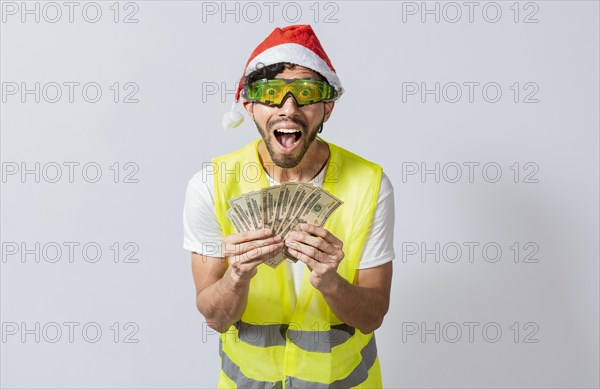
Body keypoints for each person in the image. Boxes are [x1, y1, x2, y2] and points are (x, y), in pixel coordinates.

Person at [183, 24, 395, 388]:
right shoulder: (209, 184)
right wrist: (237, 276)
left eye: (307, 93)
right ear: (248, 106)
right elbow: (215, 318)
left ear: (327, 107)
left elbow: (372, 316)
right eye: (270, 93)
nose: (289, 108)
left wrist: (331, 282)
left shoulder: (370, 184)